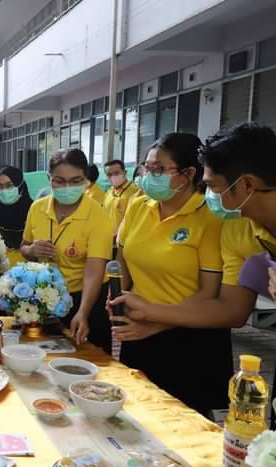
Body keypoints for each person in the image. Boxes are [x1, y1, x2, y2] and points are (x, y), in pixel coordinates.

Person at [110, 124, 276, 418]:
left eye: (212, 187)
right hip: (146, 331)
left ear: (248, 185)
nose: (208, 195)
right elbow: (233, 309)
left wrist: (152, 315)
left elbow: (212, 296)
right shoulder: (242, 229)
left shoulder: (216, 220)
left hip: (191, 345)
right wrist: (146, 313)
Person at [110, 133, 228, 417]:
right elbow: (123, 259)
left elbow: (208, 293)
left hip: (187, 337)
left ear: (188, 174)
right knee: (135, 415)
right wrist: (118, 298)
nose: (149, 176)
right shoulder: (139, 206)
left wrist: (156, 322)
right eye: (146, 168)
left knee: (184, 424)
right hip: (139, 329)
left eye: (159, 170)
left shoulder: (209, 217)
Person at [20, 149, 115, 353]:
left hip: (85, 298)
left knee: (88, 358)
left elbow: (94, 271)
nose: (67, 187)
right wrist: (33, 249)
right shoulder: (37, 208)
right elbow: (24, 247)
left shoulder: (98, 216)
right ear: (49, 179)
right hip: (45, 296)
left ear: (85, 180)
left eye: (75, 180)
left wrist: (83, 312)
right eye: (59, 181)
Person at [0, 166, 32, 267]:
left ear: (20, 186)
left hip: (33, 278)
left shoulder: (35, 215)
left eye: (9, 185)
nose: (4, 190)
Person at [103, 159, 139, 228]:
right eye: (109, 175)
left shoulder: (135, 192)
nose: (113, 177)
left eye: (116, 173)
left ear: (125, 172)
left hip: (123, 237)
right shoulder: (109, 192)